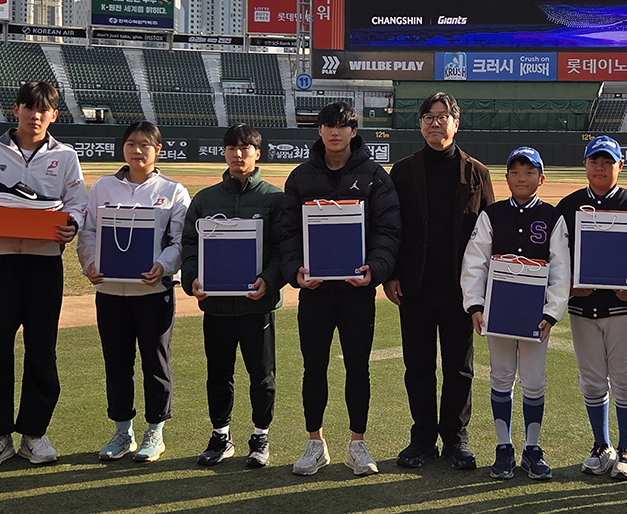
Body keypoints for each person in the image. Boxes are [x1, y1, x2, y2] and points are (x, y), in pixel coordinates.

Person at [0, 82, 87, 469]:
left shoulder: (65, 156)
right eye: (28, 108)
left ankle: (34, 434)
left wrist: (73, 224)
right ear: (15, 109)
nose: (35, 115)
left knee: (42, 350)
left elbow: (78, 202)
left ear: (54, 115)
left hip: (44, 264)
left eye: (43, 109)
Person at [279, 102, 401, 477]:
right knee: (313, 367)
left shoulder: (373, 175)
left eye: (342, 126)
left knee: (358, 368)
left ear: (353, 130)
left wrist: (375, 270)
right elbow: (287, 233)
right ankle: (315, 443)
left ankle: (356, 444)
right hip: (314, 290)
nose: (335, 132)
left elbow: (388, 229)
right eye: (328, 125)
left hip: (356, 289)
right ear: (319, 131)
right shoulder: (300, 177)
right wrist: (294, 270)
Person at [387, 92, 495, 470]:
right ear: (420, 124)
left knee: (459, 367)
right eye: (429, 117)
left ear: (456, 123)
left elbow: (488, 236)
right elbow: (391, 228)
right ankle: (422, 438)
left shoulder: (477, 173)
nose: (436, 123)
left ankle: (455, 438)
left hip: (459, 290)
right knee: (417, 366)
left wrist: (483, 290)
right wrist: (392, 275)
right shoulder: (401, 171)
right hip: (414, 286)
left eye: (443, 116)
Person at [77, 121, 190, 463]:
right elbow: (88, 233)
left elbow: (180, 240)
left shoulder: (173, 190)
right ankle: (121, 431)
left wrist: (164, 265)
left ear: (158, 150)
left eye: (145, 145)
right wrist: (89, 264)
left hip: (153, 292)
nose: (137, 150)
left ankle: (155, 432)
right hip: (110, 291)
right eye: (130, 143)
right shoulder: (102, 187)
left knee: (155, 362)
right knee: (117, 362)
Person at [460, 147, 571, 480]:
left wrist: (551, 313)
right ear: (506, 177)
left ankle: (532, 449)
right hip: (500, 314)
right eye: (516, 172)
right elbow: (474, 261)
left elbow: (561, 269)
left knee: (534, 382)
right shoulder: (492, 214)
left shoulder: (553, 217)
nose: (522, 178)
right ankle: (504, 446)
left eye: (529, 172)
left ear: (541, 177)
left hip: (535, 316)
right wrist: (475, 305)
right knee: (501, 377)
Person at [555, 136, 627, 481]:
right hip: (582, 310)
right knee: (591, 381)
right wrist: (568, 286)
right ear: (585, 165)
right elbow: (556, 259)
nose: (600, 168)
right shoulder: (567, 207)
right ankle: (602, 446)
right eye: (594, 161)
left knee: (626, 381)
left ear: (620, 165)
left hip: (623, 310)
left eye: (608, 162)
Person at [181, 124, 284, 468]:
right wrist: (192, 278)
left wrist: (269, 280)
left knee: (262, 374)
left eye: (246, 148)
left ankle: (260, 436)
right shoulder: (206, 200)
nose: (238, 154)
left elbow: (284, 249)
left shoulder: (273, 198)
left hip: (257, 306)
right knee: (218, 373)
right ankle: (220, 435)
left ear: (258, 152)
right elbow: (190, 246)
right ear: (223, 152)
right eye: (232, 148)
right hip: (218, 306)